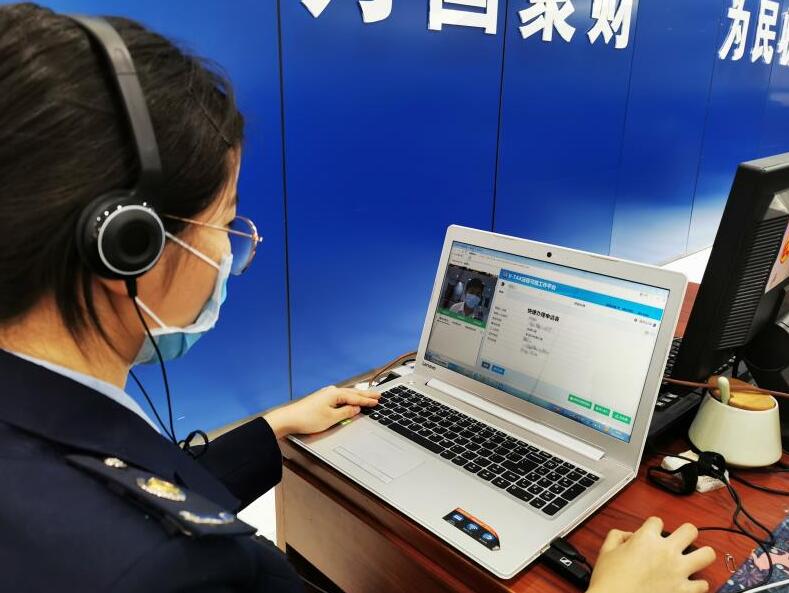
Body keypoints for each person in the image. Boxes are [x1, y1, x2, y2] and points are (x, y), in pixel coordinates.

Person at [0, 4, 715, 592]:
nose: (229, 253)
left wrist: (272, 429)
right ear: (129, 245)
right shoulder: (166, 572)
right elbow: (145, 531)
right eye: (225, 222)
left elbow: (137, 488)